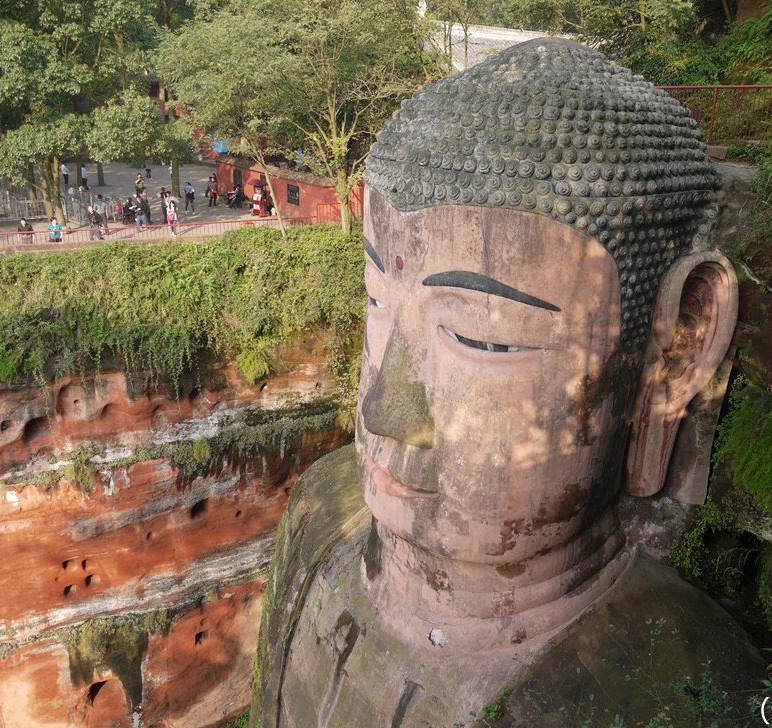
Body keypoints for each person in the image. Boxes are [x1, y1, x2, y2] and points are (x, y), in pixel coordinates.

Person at [255, 39, 744, 726]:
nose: (383, 409)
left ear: (675, 354)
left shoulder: (678, 689)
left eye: (483, 337)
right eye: (374, 298)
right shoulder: (317, 517)